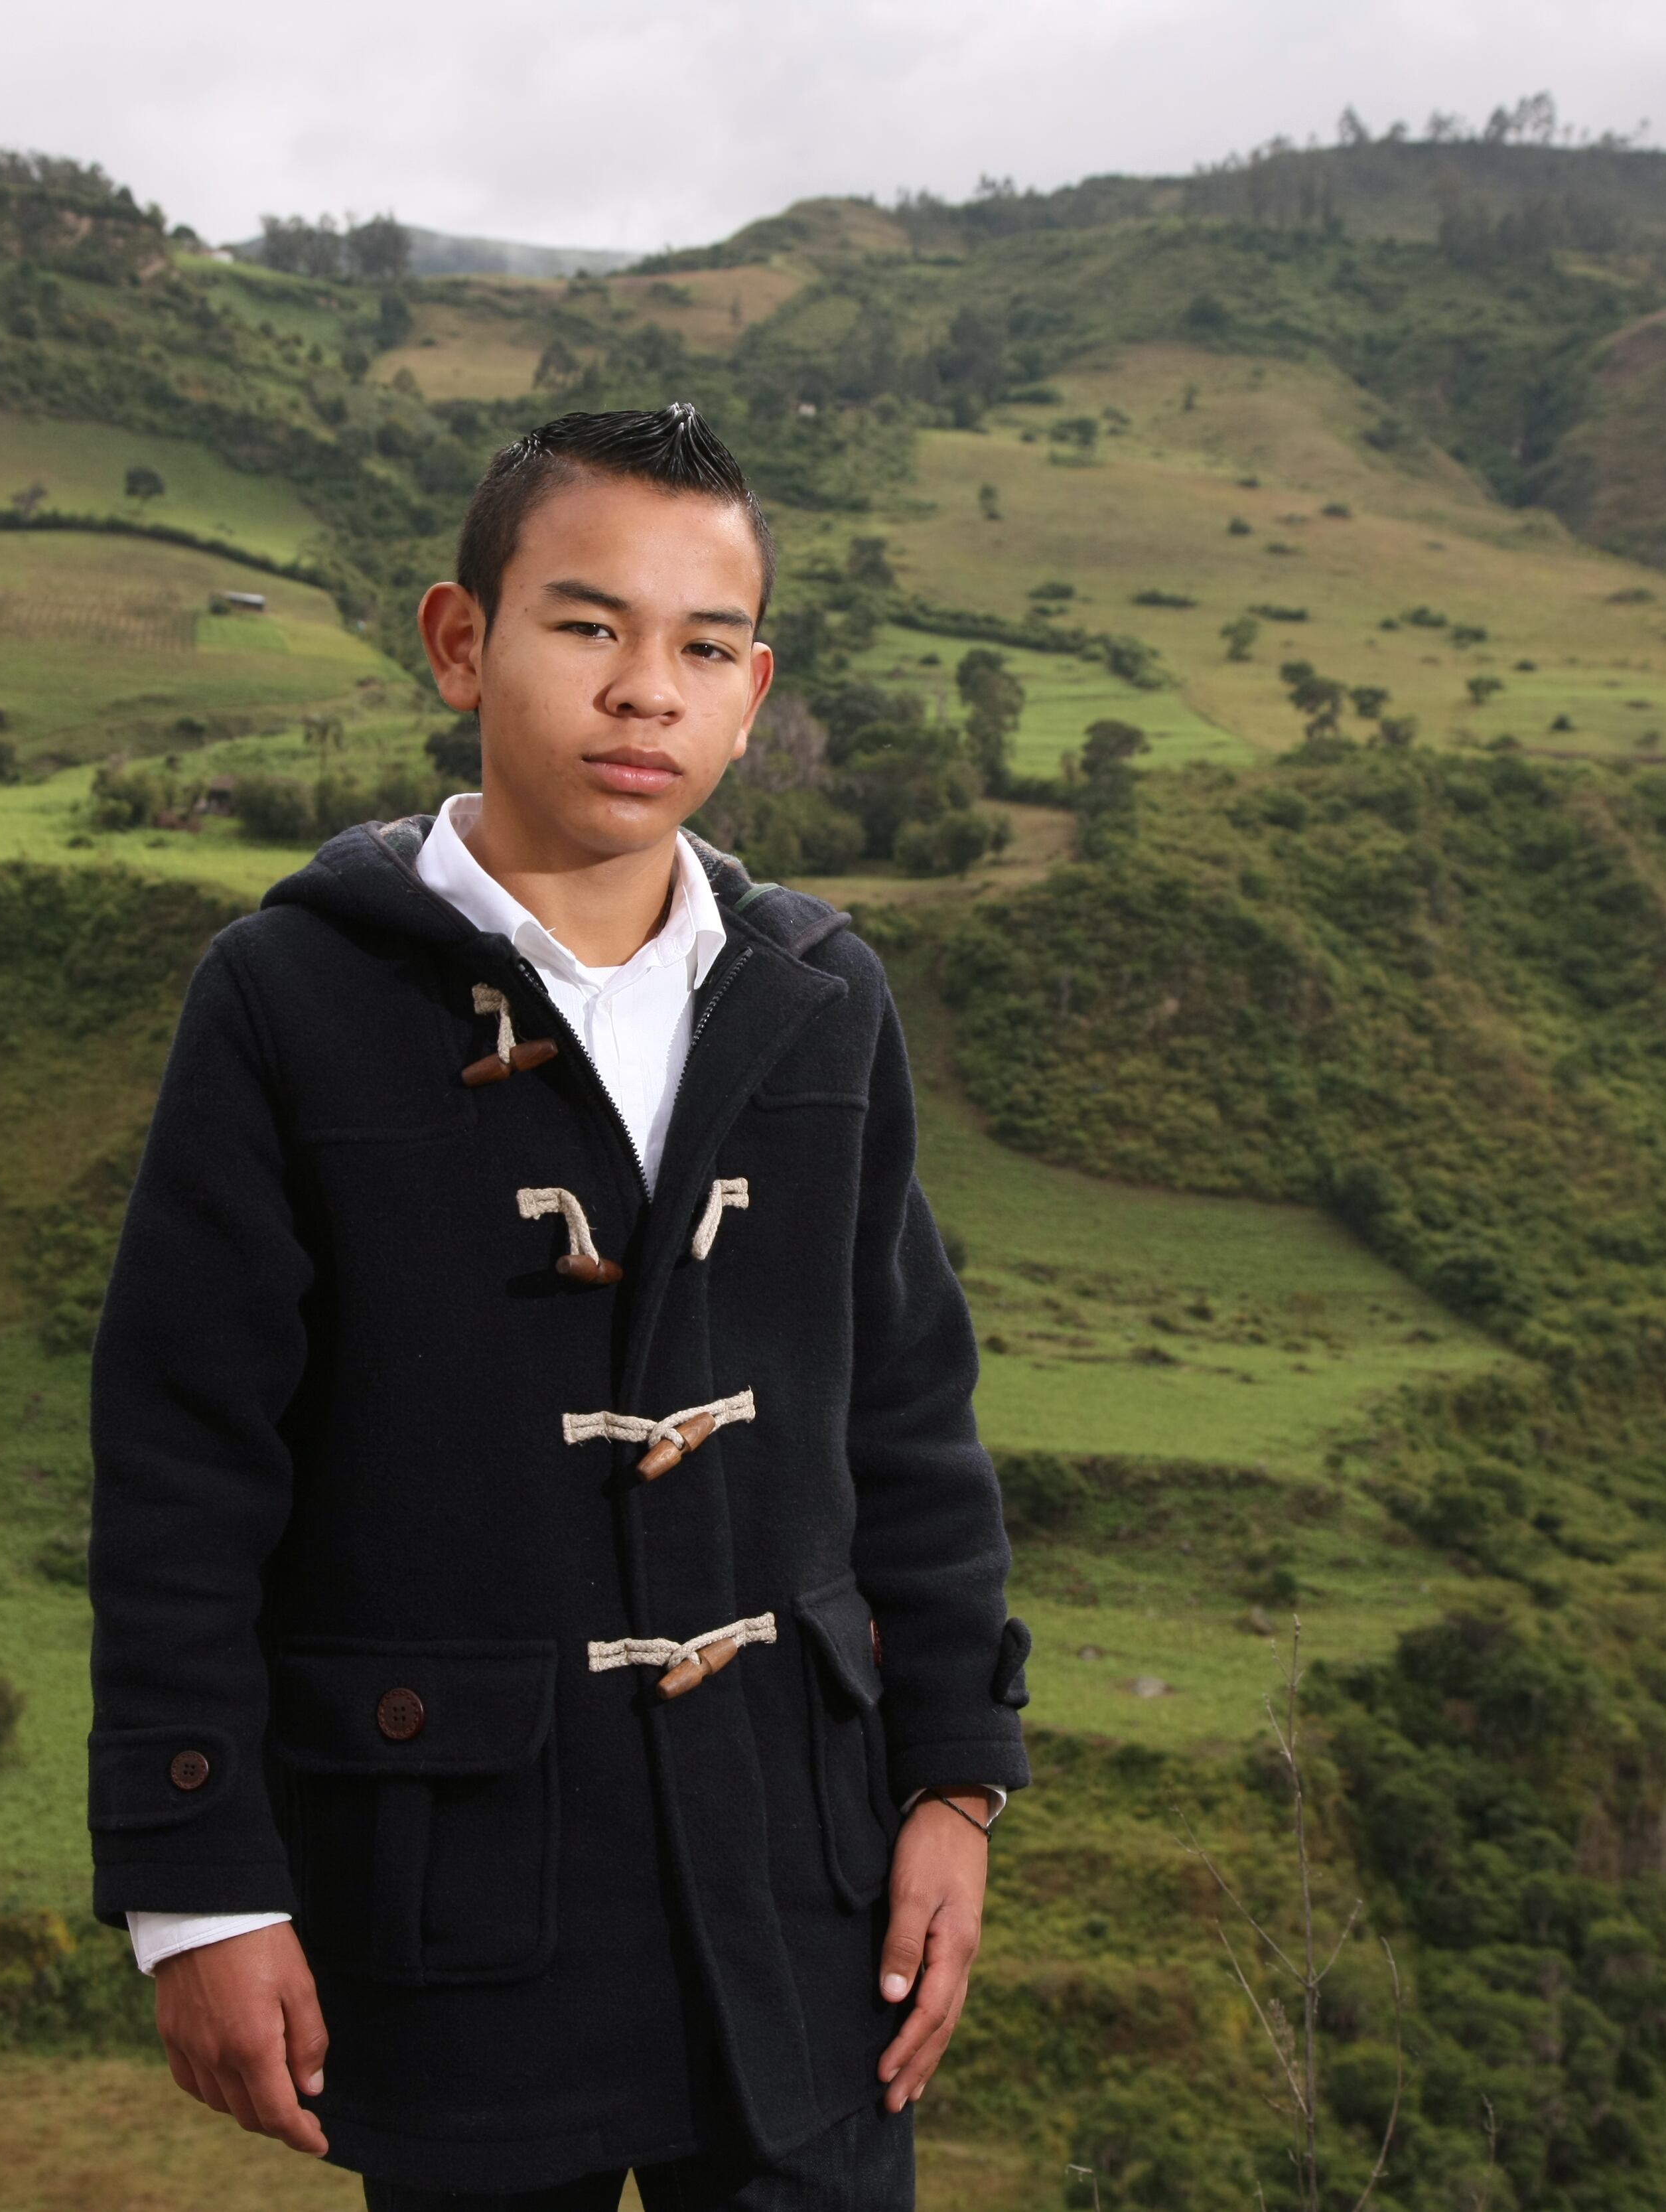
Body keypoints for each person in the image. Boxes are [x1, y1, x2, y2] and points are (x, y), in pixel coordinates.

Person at [86, 402, 1034, 2212]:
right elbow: (186, 1467)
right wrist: (197, 1881)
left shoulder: (821, 1003)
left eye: (700, 649)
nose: (643, 694)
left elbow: (910, 1423)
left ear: (757, 691)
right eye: (587, 627)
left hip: (804, 1899)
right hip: (463, 1903)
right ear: (464, 641)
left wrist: (956, 1783)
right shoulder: (291, 1000)